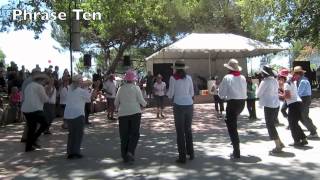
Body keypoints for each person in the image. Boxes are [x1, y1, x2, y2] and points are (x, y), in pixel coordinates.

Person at [115, 69, 147, 163]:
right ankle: (130, 151)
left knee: (124, 135)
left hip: (123, 114)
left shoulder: (121, 88)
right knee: (135, 134)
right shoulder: (136, 88)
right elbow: (141, 101)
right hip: (135, 113)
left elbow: (116, 102)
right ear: (134, 79)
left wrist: (118, 107)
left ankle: (124, 155)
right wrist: (145, 104)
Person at [218, 59, 247, 159]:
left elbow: (221, 94)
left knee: (232, 127)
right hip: (242, 103)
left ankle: (236, 150)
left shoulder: (227, 77)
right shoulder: (242, 77)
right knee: (231, 123)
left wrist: (217, 91)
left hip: (233, 103)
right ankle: (234, 142)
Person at [167, 60, 195, 164]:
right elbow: (192, 92)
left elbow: (170, 94)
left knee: (180, 131)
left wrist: (169, 95)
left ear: (175, 68)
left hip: (178, 105)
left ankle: (182, 157)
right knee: (188, 130)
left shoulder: (173, 78)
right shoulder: (189, 78)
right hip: (189, 104)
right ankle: (191, 153)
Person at [257, 65, 284, 153]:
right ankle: (280, 142)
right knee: (272, 124)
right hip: (276, 104)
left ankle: (277, 145)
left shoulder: (264, 82)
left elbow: (258, 94)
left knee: (270, 125)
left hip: (269, 105)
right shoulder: (274, 80)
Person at [21, 73, 51, 152]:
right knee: (45, 124)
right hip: (35, 109)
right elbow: (45, 99)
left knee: (32, 128)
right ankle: (33, 139)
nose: (45, 83)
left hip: (26, 109)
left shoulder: (29, 85)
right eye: (45, 81)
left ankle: (28, 147)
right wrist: (47, 92)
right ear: (41, 80)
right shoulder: (39, 87)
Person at [64, 75, 91, 159]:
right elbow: (89, 99)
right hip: (78, 114)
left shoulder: (69, 89)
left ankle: (70, 152)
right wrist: (86, 87)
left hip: (68, 114)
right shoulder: (81, 91)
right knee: (78, 134)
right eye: (81, 80)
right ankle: (76, 151)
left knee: (71, 134)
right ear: (79, 82)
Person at [283, 68, 308, 147]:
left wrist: (279, 95)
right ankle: (303, 138)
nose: (299, 76)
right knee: (294, 123)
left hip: (293, 104)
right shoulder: (292, 82)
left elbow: (288, 96)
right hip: (297, 104)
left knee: (292, 124)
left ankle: (297, 141)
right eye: (298, 74)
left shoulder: (288, 83)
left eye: (300, 74)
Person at [294, 66, 318, 138]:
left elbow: (299, 92)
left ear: (298, 74)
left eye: (295, 74)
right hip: (305, 99)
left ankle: (313, 132)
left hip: (304, 99)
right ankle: (312, 128)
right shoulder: (303, 79)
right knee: (302, 116)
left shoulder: (303, 81)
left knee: (304, 116)